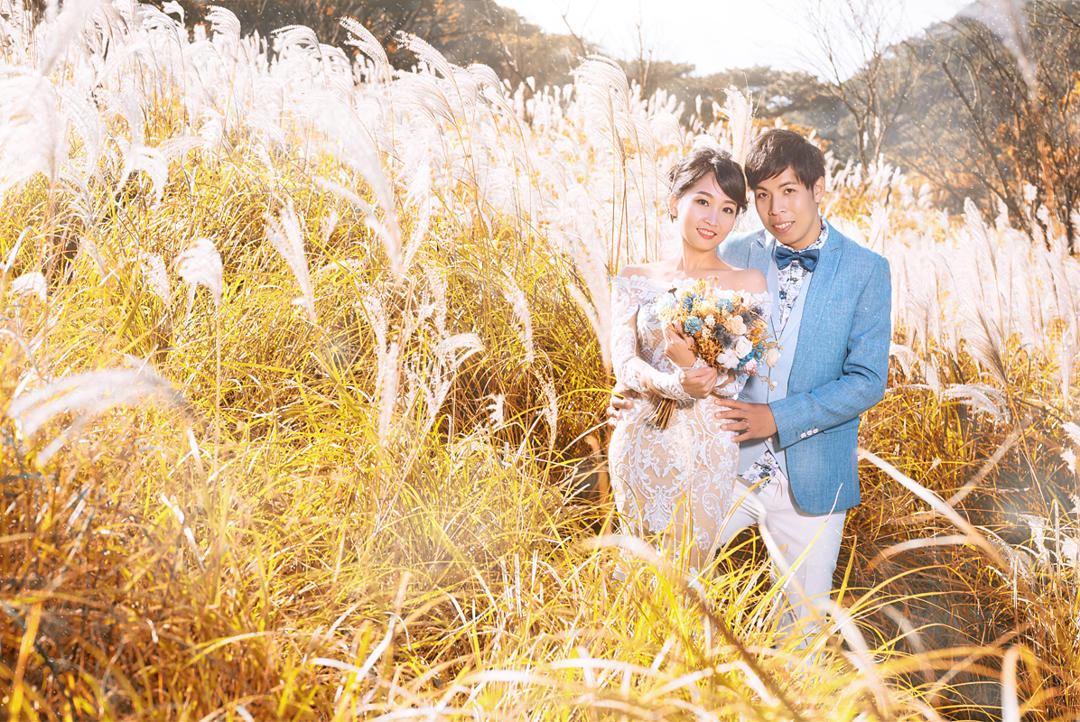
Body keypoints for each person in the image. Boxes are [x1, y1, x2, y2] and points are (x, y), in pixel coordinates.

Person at [610, 129, 892, 642]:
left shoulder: (866, 270)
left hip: (811, 474)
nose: (775, 209)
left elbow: (868, 380)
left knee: (801, 631)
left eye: (788, 191)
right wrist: (642, 392)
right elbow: (659, 328)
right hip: (720, 463)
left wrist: (778, 418)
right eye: (761, 195)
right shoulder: (732, 249)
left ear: (818, 189)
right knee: (667, 587)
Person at [607, 144, 767, 574]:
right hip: (640, 437)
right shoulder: (634, 278)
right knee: (636, 574)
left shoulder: (747, 283)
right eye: (703, 201)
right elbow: (624, 363)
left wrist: (692, 367)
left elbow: (736, 380)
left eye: (728, 209)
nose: (714, 219)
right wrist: (675, 382)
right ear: (674, 202)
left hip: (707, 446)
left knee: (691, 577)